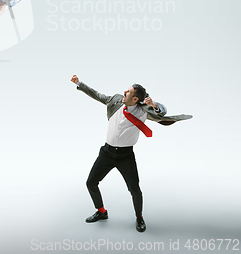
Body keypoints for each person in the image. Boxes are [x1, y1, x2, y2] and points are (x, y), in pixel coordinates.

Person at [71, 74, 192, 233]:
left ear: (135, 99)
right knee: (91, 182)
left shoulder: (143, 111)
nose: (124, 93)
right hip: (106, 152)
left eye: (128, 92)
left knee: (134, 189)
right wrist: (79, 83)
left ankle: (139, 217)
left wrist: (154, 104)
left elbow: (161, 112)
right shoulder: (115, 100)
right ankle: (101, 212)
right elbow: (97, 95)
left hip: (125, 156)